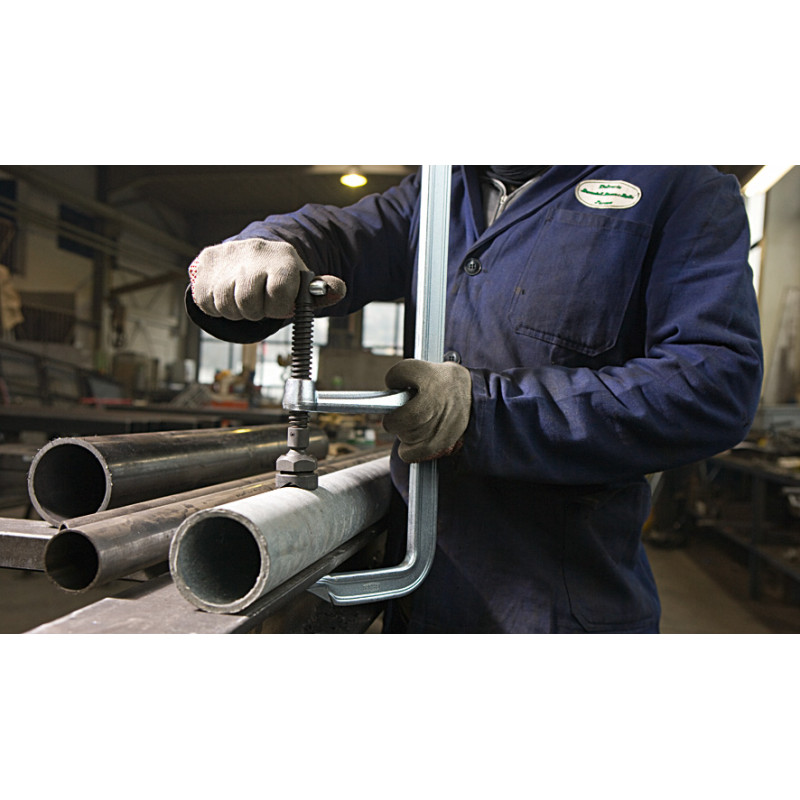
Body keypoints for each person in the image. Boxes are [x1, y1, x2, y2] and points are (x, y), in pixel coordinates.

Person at [185, 166, 763, 633]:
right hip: (415, 599)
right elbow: (342, 235)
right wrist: (269, 245)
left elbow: (714, 384)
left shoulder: (676, 185)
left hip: (558, 612)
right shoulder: (440, 189)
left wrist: (484, 410)